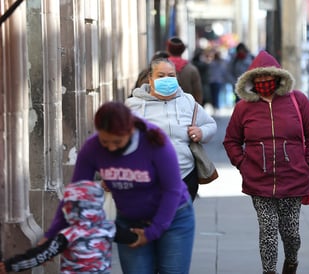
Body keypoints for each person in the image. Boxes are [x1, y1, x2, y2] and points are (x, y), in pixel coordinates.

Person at [42, 102, 195, 274]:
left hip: (173, 219)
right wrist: (52, 235)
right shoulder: (92, 148)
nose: (111, 147)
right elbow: (75, 196)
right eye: (105, 141)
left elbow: (172, 190)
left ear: (130, 131)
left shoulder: (155, 141)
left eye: (117, 141)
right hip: (129, 223)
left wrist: (153, 231)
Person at [223, 50, 309, 274]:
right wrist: (243, 164)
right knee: (267, 231)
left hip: (294, 179)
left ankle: (292, 263)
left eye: (267, 77)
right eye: (258, 78)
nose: (263, 82)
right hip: (259, 181)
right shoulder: (243, 108)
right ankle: (269, 271)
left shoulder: (298, 100)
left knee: (291, 234)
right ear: (251, 81)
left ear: (278, 78)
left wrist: (308, 164)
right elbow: (231, 140)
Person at [125, 57, 217, 201]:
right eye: (161, 76)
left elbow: (210, 125)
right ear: (150, 78)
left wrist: (201, 132)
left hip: (185, 176)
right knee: (159, 220)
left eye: (171, 76)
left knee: (180, 220)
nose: (166, 79)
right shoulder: (133, 106)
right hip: (149, 178)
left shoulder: (187, 101)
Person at [0, 180, 138, 274]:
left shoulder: (68, 235)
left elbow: (40, 255)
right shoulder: (109, 228)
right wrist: (148, 232)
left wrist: (10, 265)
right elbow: (134, 237)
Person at [166, 36, 203, 104]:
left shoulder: (159, 69)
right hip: (187, 109)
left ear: (168, 49)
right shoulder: (192, 69)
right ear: (183, 50)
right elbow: (198, 93)